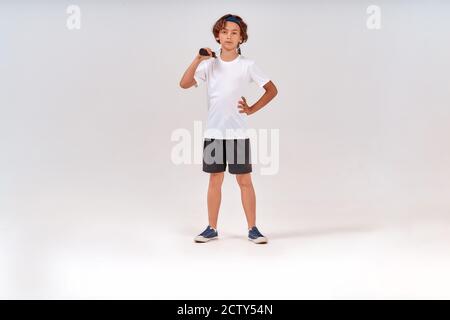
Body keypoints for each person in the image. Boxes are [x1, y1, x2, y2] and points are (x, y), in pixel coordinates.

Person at [179, 14, 278, 244]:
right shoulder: (209, 66)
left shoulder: (248, 65)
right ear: (217, 36)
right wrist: (197, 59)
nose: (229, 36)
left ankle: (253, 229)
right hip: (214, 134)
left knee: (244, 180)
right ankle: (211, 228)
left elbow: (272, 90)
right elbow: (184, 83)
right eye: (224, 32)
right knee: (215, 179)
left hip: (237, 134)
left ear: (241, 37)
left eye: (234, 32)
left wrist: (252, 109)